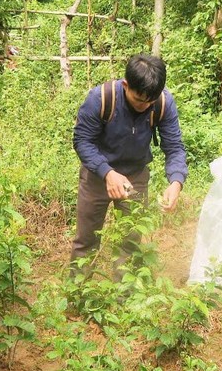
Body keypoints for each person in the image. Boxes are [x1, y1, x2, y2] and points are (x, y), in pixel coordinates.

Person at [71, 54, 188, 271]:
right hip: (97, 177)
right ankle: (77, 290)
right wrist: (107, 173)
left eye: (150, 101)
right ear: (126, 85)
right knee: (86, 241)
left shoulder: (163, 102)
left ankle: (126, 292)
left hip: (134, 178)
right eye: (139, 100)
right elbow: (82, 141)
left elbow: (174, 147)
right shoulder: (101, 98)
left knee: (130, 242)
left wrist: (176, 182)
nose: (145, 106)